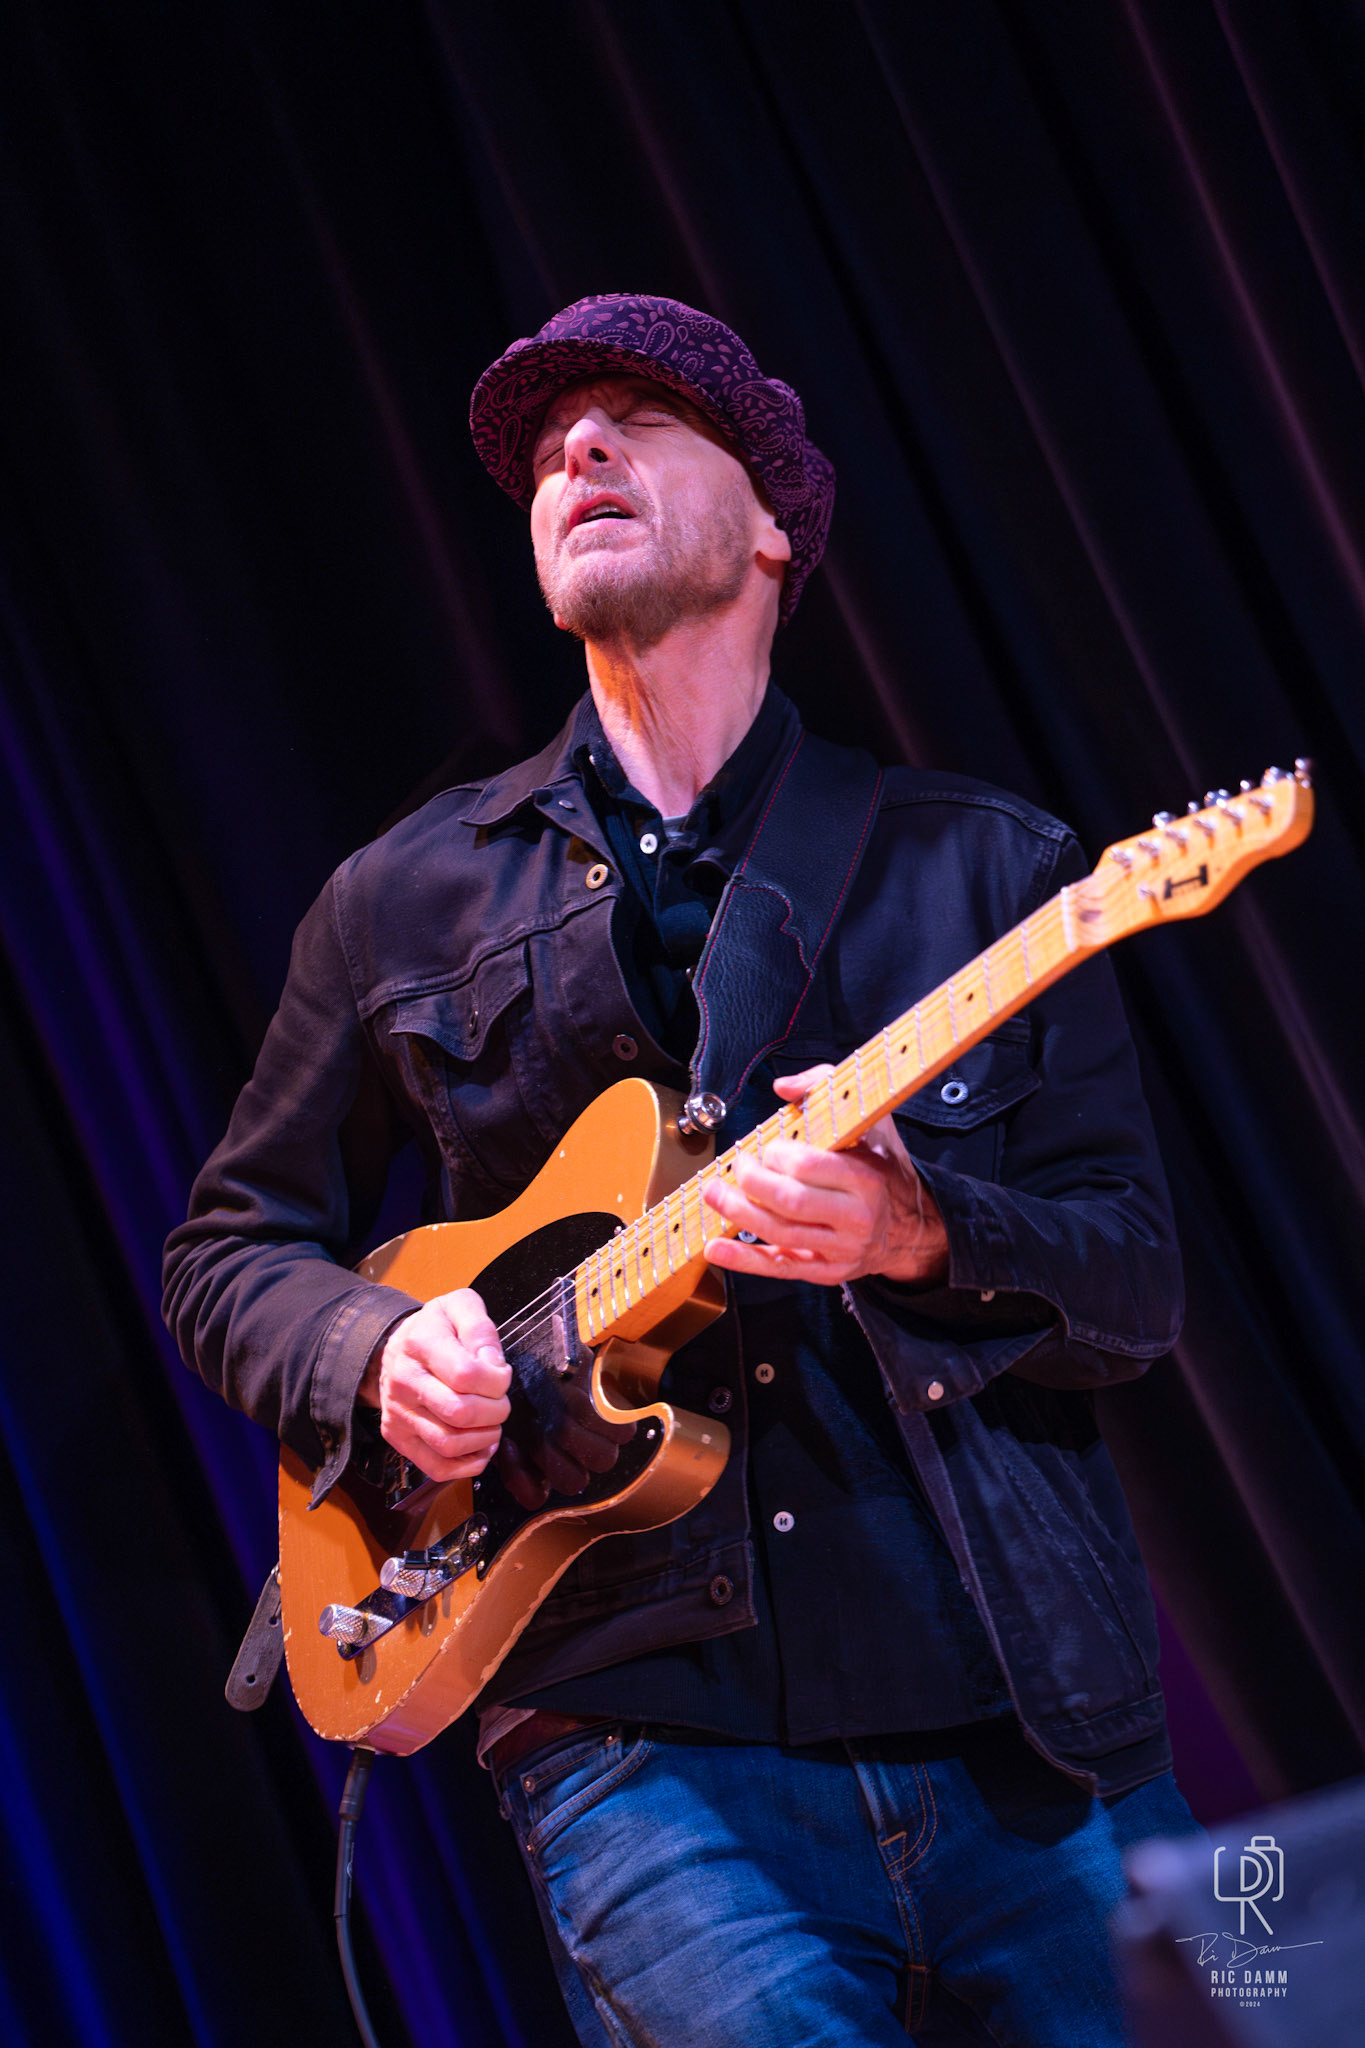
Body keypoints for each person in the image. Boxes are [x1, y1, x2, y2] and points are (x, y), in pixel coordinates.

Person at [164, 293, 1198, 2048]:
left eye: (638, 417)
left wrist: (915, 1226)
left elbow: (1133, 1286)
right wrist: (371, 1349)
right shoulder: (399, 900)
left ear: (775, 522)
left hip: (1028, 1723)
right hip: (636, 1751)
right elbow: (227, 1248)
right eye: (549, 447)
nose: (575, 447)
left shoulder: (987, 868)